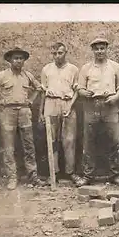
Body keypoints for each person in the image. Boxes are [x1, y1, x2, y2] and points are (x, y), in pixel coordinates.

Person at [0, 47, 48, 190]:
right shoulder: (1, 75)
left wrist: (31, 100)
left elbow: (39, 88)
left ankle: (33, 176)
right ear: (10, 60)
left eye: (21, 58)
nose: (18, 61)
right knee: (8, 147)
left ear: (24, 61)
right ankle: (12, 178)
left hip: (24, 111)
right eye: (15, 58)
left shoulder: (27, 75)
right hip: (7, 112)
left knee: (29, 145)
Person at [76, 38, 119, 186]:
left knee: (114, 141)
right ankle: (87, 175)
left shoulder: (115, 67)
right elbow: (79, 88)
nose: (99, 51)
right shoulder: (86, 68)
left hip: (110, 106)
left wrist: (115, 97)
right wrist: (84, 93)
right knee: (89, 141)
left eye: (102, 48)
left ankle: (115, 174)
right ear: (93, 50)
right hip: (91, 106)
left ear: (106, 49)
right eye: (96, 49)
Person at [39, 42, 83, 185]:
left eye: (60, 53)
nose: (57, 56)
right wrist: (41, 111)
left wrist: (70, 105)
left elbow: (77, 90)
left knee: (69, 140)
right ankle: (54, 172)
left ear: (65, 52)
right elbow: (43, 92)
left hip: (67, 103)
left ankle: (71, 172)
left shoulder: (73, 69)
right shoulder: (46, 69)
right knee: (52, 139)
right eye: (54, 53)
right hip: (51, 104)